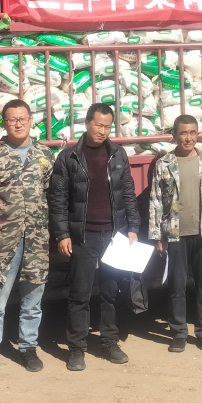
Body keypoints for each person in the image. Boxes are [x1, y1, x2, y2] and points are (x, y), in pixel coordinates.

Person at [48, 103, 142, 371]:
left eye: (107, 127)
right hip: (83, 236)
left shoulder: (118, 154)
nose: (102, 131)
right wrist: (62, 234)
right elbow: (58, 199)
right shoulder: (69, 157)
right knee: (80, 293)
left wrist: (133, 227)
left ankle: (110, 342)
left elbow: (128, 193)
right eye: (98, 125)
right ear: (87, 123)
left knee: (111, 291)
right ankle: (77, 348)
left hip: (114, 235)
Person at [0, 99, 55, 377]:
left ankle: (28, 347)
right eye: (11, 120)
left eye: (22, 119)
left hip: (36, 238)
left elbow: (51, 192)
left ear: (31, 121)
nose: (18, 124)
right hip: (2, 240)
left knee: (33, 298)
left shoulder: (45, 155)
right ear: (4, 123)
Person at [148, 115, 202, 353]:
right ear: (174, 136)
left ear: (197, 134)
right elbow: (155, 201)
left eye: (192, 132)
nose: (188, 138)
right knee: (177, 286)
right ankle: (179, 332)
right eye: (183, 133)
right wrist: (157, 236)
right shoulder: (164, 164)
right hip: (175, 234)